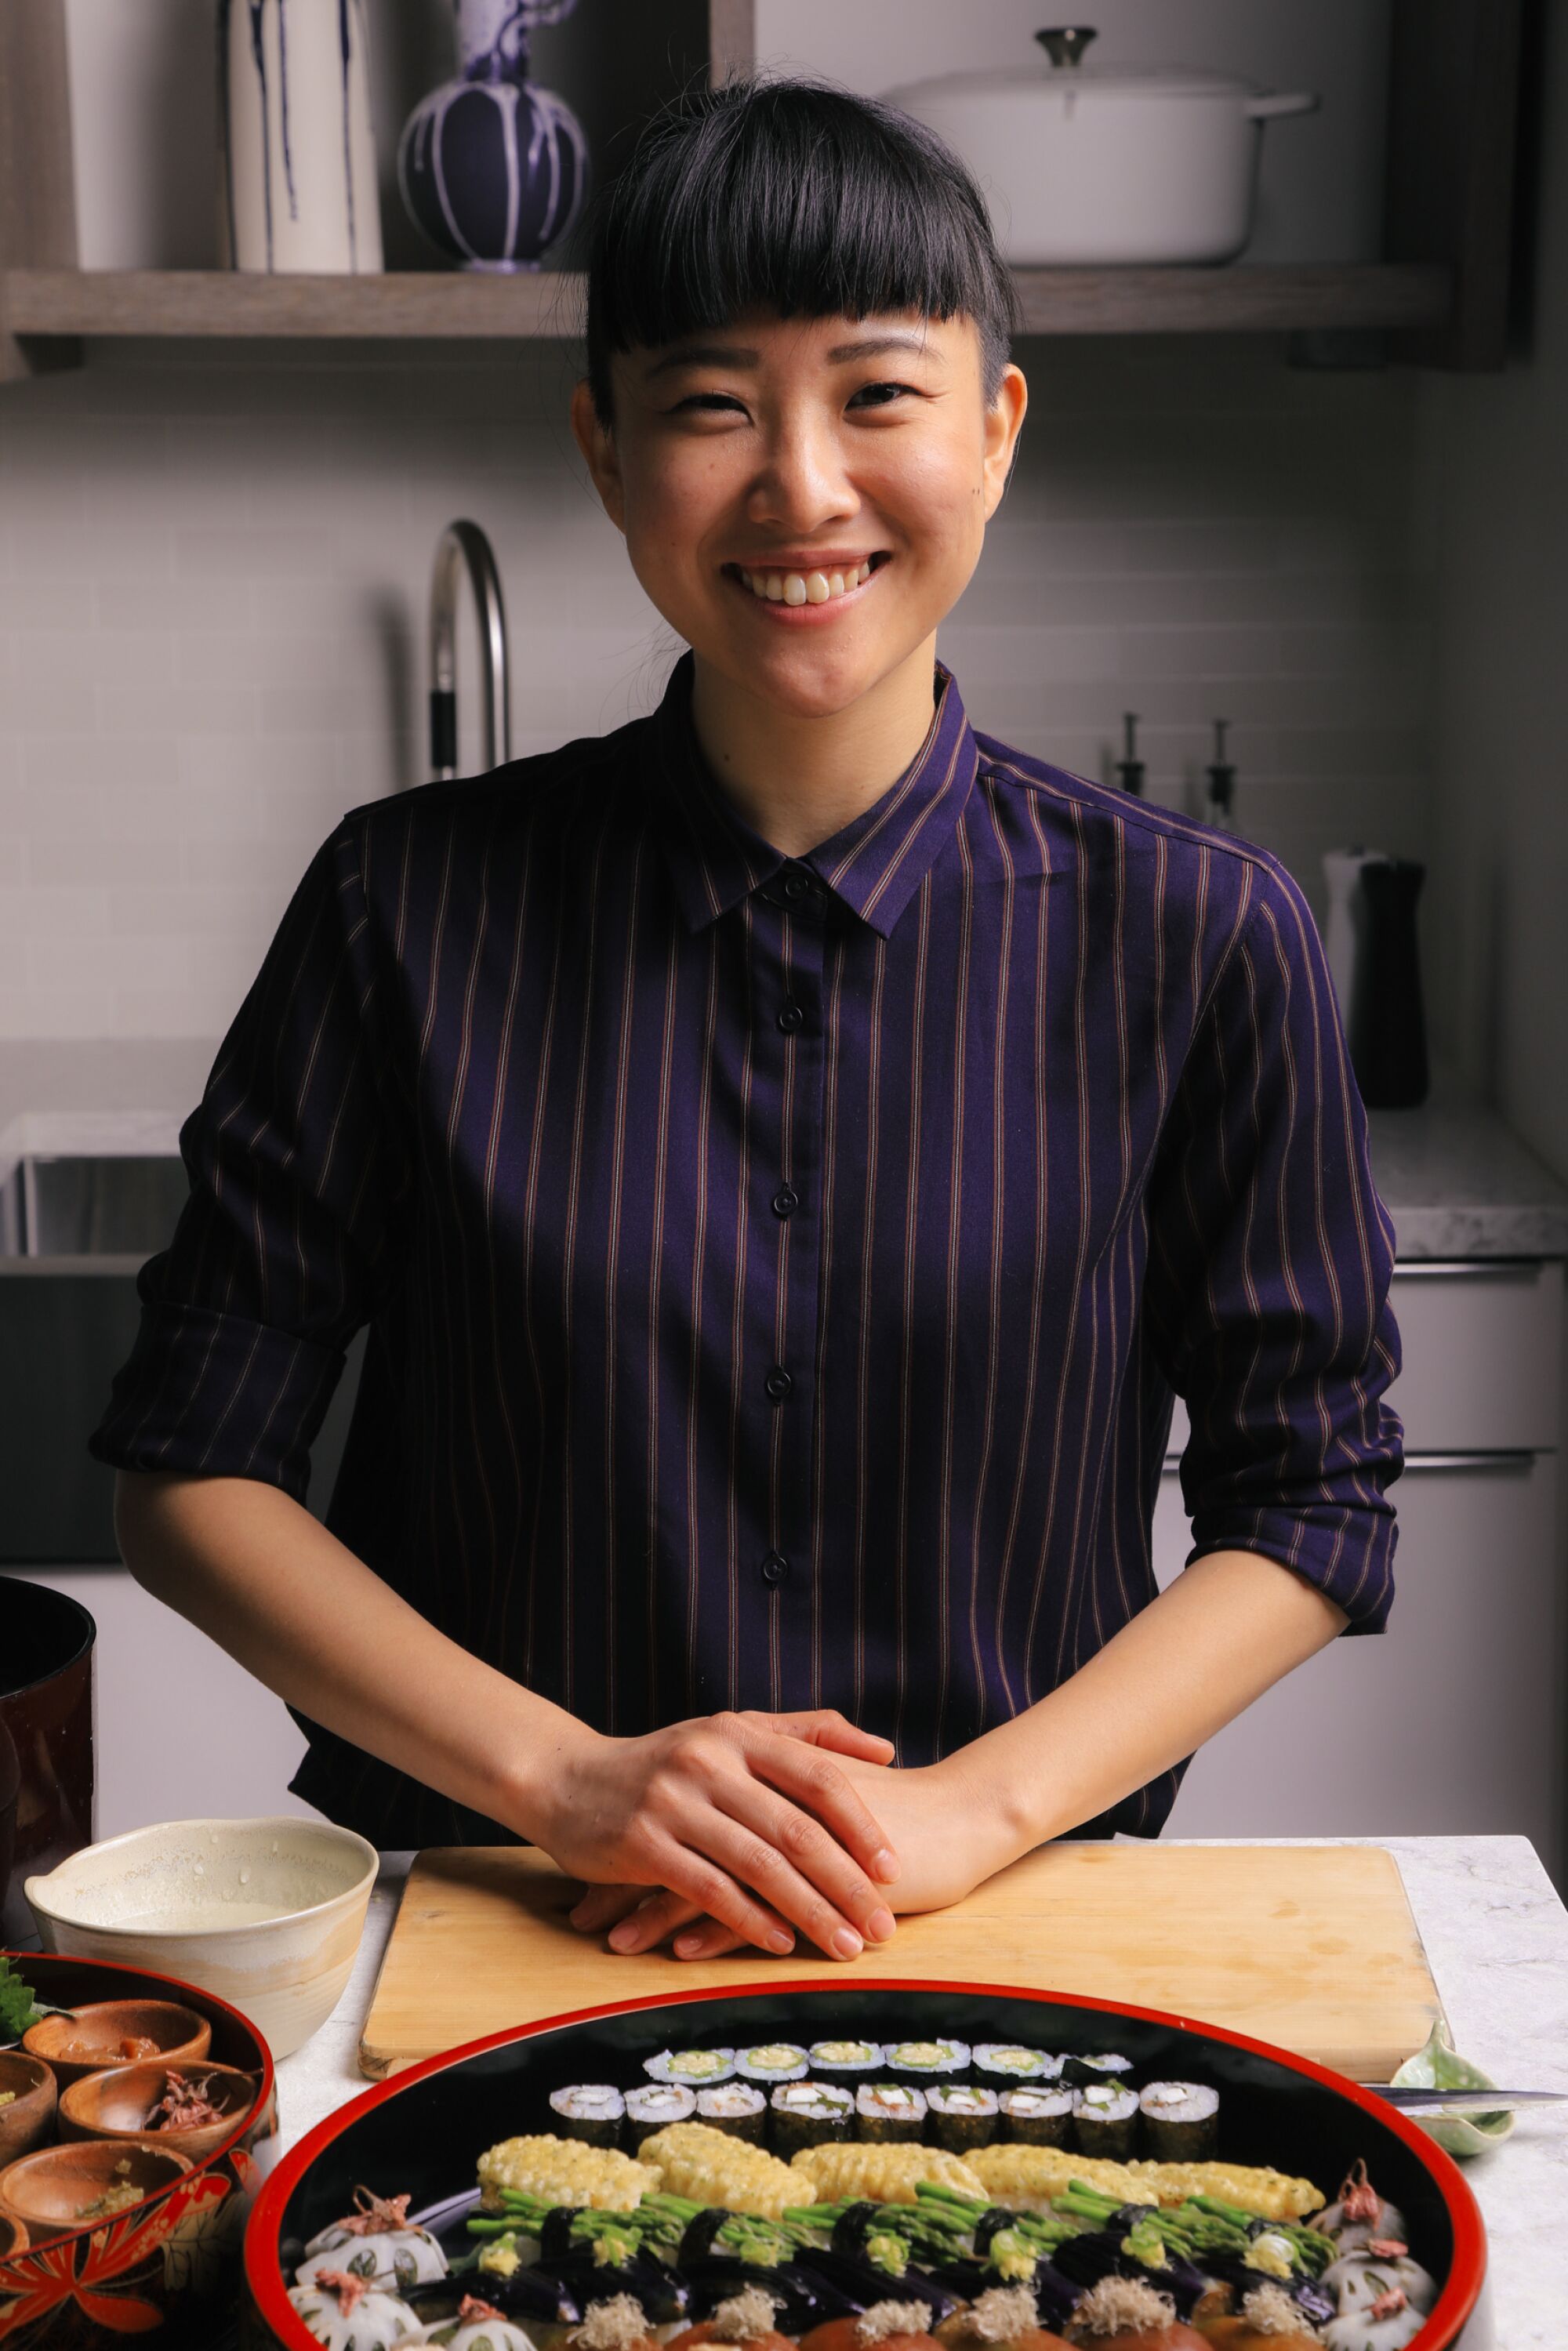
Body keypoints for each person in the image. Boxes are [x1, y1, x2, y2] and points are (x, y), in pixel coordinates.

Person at [90, 75, 1402, 1969]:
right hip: (496, 1924)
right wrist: (563, 1780)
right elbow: (191, 1468)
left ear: (996, 430)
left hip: (1004, 1926)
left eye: (877, 393)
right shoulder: (404, 905)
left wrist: (975, 1807)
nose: (801, 483)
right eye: (713, 404)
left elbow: (1314, 1495)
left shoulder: (1203, 934)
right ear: (606, 451)